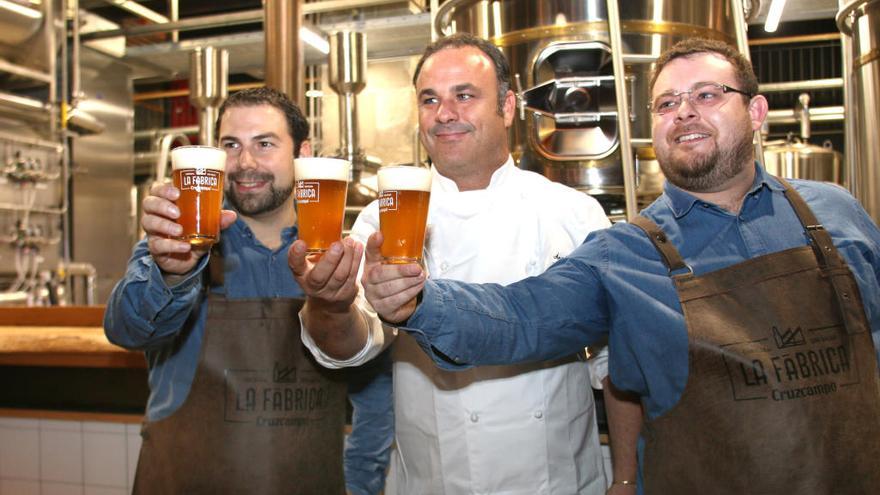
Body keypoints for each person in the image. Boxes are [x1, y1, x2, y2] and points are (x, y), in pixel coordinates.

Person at [360, 37, 880, 495]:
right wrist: (420, 302)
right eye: (667, 103)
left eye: (707, 94)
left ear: (757, 112)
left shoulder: (837, 212)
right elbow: (521, 315)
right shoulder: (629, 252)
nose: (685, 112)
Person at [289, 33, 629, 494]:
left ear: (508, 107)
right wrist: (329, 304)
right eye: (430, 100)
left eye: (464, 95)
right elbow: (351, 347)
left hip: (558, 483)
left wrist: (626, 479)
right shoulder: (384, 217)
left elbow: (616, 366)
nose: (445, 114)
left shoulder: (573, 212)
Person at [104, 87, 392, 494]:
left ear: (303, 154)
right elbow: (126, 331)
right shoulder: (176, 244)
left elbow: (375, 392)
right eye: (231, 145)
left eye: (264, 144)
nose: (245, 163)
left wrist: (362, 484)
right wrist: (171, 277)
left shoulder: (341, 258)